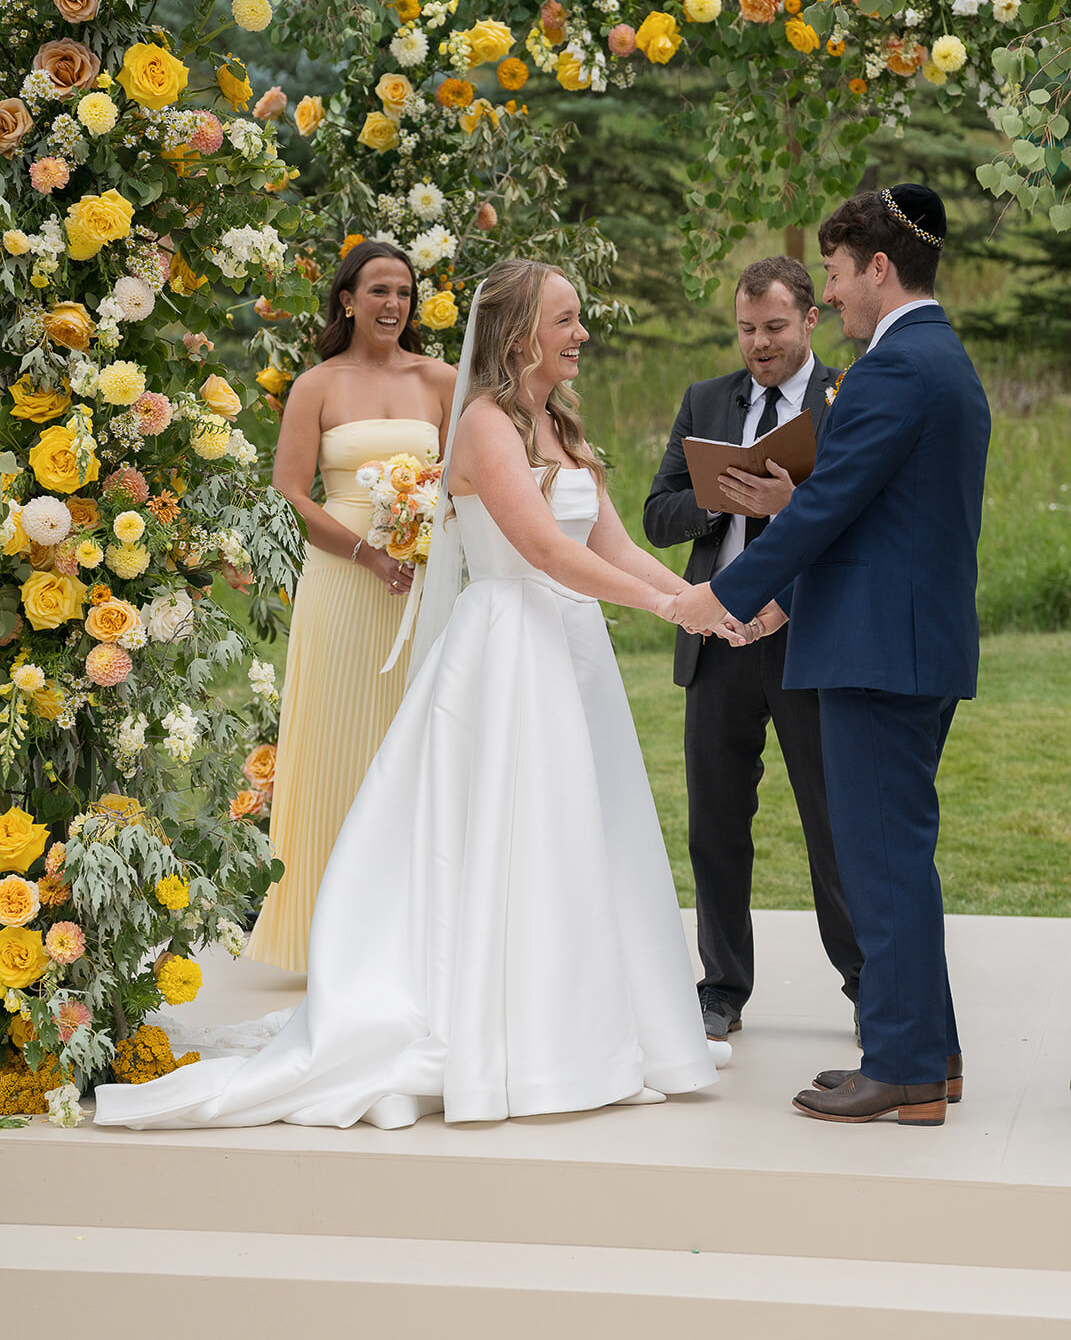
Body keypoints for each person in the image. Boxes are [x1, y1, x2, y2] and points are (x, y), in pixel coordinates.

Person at [94, 260, 721, 1132]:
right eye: (567, 320)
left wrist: (709, 607)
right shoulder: (485, 426)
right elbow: (540, 549)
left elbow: (609, 543)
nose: (581, 334)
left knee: (590, 827)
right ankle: (515, 1033)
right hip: (510, 648)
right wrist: (670, 605)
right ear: (518, 336)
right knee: (514, 832)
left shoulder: (560, 424)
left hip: (572, 654)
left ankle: (599, 1016)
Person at [672, 185, 990, 1126]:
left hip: (875, 656)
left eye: (841, 275)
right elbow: (874, 523)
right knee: (894, 859)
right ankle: (930, 1056)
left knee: (880, 863)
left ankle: (897, 1066)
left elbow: (824, 508)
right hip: (894, 644)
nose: (837, 296)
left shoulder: (897, 368)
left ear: (877, 269)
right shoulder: (934, 359)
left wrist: (718, 596)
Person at [644, 257, 861, 1042]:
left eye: (772, 328)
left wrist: (789, 502)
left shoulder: (848, 397)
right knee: (714, 824)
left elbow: (857, 515)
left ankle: (868, 989)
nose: (757, 344)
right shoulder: (706, 400)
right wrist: (719, 496)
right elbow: (655, 513)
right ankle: (721, 988)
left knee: (829, 821)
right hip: (717, 638)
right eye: (745, 329)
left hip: (809, 638)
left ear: (808, 320)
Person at [244, 241, 455, 973]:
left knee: (414, 747)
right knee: (337, 744)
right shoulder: (318, 385)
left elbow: (471, 481)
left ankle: (410, 935)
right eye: (377, 291)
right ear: (346, 299)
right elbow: (290, 493)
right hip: (342, 583)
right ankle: (325, 936)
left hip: (423, 591)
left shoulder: (442, 381)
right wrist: (368, 553)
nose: (392, 304)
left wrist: (432, 537)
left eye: (403, 292)